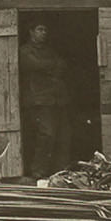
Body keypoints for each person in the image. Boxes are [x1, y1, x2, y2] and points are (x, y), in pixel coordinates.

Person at [18, 21, 73, 177]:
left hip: (56, 99)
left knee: (63, 135)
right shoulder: (25, 51)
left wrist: (48, 66)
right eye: (40, 29)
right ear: (31, 31)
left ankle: (60, 171)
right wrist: (51, 66)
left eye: (45, 30)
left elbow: (62, 65)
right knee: (46, 135)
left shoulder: (49, 50)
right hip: (38, 99)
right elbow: (33, 65)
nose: (43, 33)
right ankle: (38, 171)